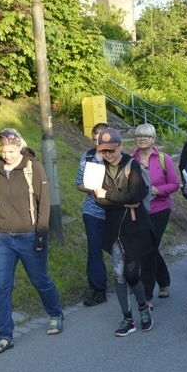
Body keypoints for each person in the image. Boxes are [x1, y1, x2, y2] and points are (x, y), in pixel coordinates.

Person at [0, 129, 63, 354]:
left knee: (39, 279)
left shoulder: (33, 167)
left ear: (20, 147)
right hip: (2, 238)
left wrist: (41, 234)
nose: (7, 155)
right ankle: (5, 335)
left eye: (11, 150)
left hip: (29, 236)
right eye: (3, 150)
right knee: (1, 287)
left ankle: (55, 313)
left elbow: (44, 204)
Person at [93, 128, 154, 336]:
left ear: (120, 146)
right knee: (118, 274)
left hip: (135, 228)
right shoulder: (97, 168)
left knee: (131, 274)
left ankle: (143, 307)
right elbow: (97, 200)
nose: (107, 155)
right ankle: (128, 319)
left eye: (111, 150)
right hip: (113, 228)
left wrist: (108, 194)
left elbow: (135, 196)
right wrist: (119, 197)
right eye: (103, 151)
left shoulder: (132, 164)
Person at [133, 123, 180, 306]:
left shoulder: (163, 158)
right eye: (139, 136)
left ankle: (147, 295)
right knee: (150, 248)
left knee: (149, 249)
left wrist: (157, 190)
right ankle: (164, 281)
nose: (142, 139)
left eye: (146, 136)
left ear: (153, 139)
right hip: (139, 210)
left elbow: (175, 185)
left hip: (160, 209)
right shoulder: (131, 159)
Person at [76, 122, 109, 307]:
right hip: (93, 210)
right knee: (94, 250)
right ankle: (98, 290)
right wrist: (93, 189)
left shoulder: (115, 156)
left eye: (102, 139)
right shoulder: (87, 157)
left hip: (115, 210)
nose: (98, 143)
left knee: (120, 248)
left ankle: (131, 279)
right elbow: (79, 183)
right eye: (95, 140)